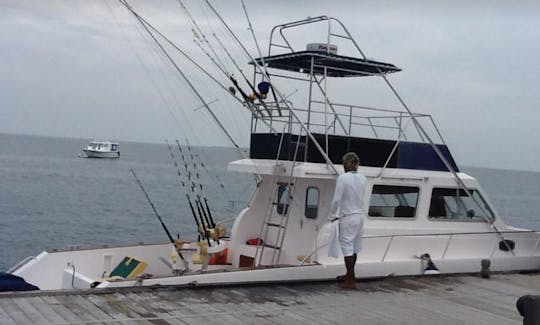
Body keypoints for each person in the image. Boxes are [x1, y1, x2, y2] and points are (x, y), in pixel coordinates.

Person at [329, 152, 366, 289]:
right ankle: (350, 275)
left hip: (348, 216)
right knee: (354, 247)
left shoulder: (343, 178)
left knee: (347, 246)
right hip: (360, 216)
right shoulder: (363, 178)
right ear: (357, 164)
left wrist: (332, 214)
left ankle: (350, 280)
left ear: (345, 164)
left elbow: (337, 199)